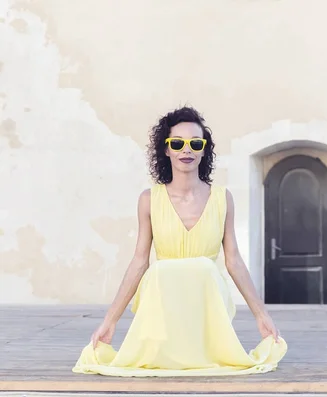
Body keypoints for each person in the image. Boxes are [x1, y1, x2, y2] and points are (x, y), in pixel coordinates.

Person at [72, 106, 287, 376]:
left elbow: (233, 260)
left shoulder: (223, 198)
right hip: (163, 306)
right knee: (161, 270)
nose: (187, 150)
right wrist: (110, 320)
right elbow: (140, 261)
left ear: (204, 149)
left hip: (205, 305)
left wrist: (260, 314)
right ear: (166, 149)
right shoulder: (149, 200)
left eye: (195, 143)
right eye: (178, 143)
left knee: (206, 269)